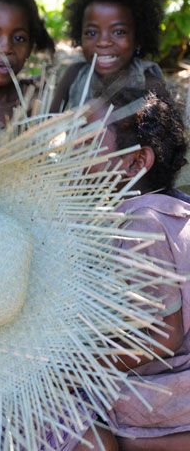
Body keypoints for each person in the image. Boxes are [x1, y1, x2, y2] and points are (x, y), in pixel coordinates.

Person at [88, 88, 190, 451]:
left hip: (165, 401)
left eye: (89, 145)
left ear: (135, 163)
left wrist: (86, 366)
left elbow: (164, 336)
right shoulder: (175, 207)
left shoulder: (139, 224)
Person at [54, 0, 169, 111]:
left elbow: (168, 132)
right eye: (91, 33)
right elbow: (47, 125)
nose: (103, 42)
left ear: (138, 38)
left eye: (119, 32)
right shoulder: (75, 76)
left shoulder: (151, 85)